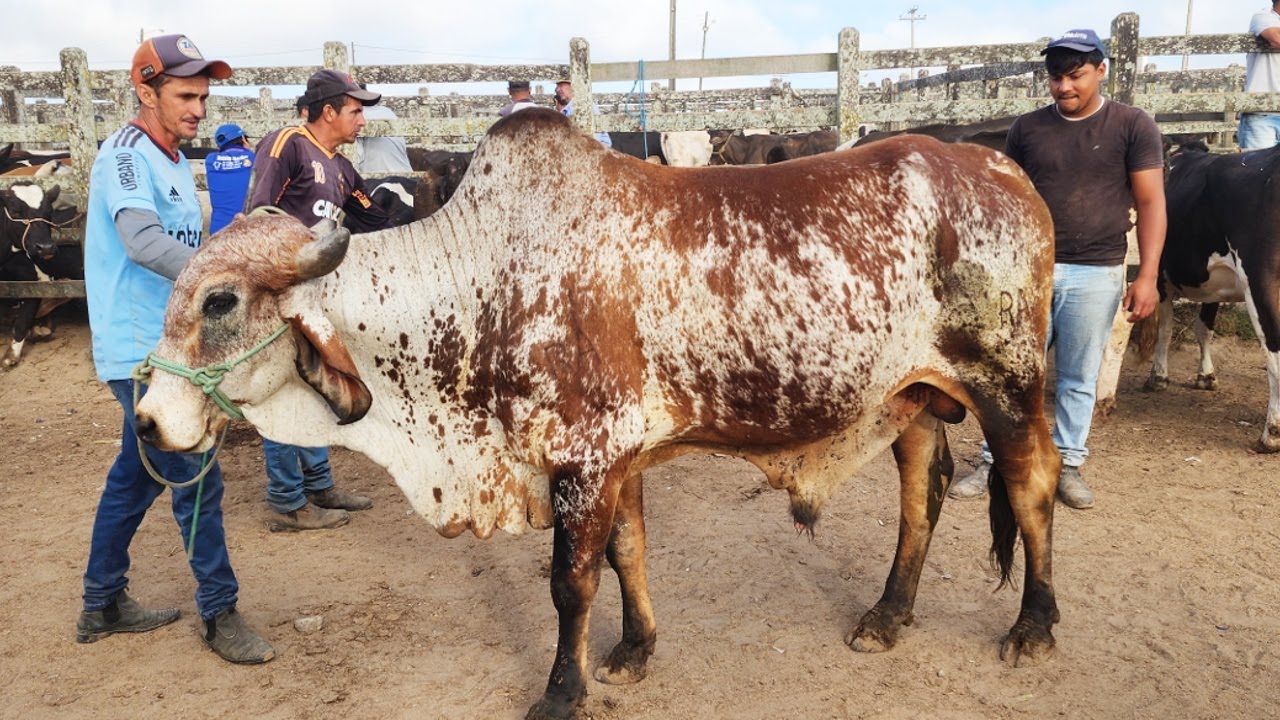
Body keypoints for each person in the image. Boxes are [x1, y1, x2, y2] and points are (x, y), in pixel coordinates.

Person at [77, 33, 273, 664]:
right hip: (144, 353)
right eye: (185, 94)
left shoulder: (172, 158)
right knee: (197, 477)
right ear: (146, 91)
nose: (199, 108)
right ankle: (220, 614)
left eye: (204, 96)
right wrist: (218, 282)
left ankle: (101, 601)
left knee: (134, 481)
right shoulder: (127, 154)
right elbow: (139, 241)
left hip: (169, 346)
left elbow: (186, 242)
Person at [948, 28, 1166, 510]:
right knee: (1009, 371)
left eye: (1075, 75)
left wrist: (1146, 274)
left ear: (1101, 70)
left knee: (1077, 376)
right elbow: (1007, 201)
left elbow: (1151, 202)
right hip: (1028, 271)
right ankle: (993, 460)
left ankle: (1066, 461)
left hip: (1098, 269)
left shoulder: (1132, 125)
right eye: (1055, 78)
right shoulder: (1027, 130)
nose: (1064, 87)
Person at [246, 68, 390, 531]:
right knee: (283, 391)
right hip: (278, 292)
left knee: (315, 387)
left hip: (313, 296)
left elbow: (376, 223)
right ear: (329, 111)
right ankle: (288, 501)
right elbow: (258, 215)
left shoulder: (344, 168)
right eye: (355, 111)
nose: (362, 121)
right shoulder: (287, 143)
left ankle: (319, 484)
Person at [1239, 0, 1280, 149]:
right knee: (1257, 169)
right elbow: (1276, 37)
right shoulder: (1264, 16)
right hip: (1262, 113)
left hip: (1264, 115)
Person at [204, 122, 253, 234]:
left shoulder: (210, 160)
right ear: (243, 139)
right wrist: (248, 151)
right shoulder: (252, 157)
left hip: (218, 230)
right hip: (244, 230)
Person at [552, 78, 612, 148]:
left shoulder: (582, 106)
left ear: (573, 86)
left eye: (561, 85)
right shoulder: (569, 108)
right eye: (557, 86)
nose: (557, 89)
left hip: (595, 150)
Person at [355, 103, 412, 174]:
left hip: (378, 179)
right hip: (407, 174)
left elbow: (357, 159)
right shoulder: (388, 111)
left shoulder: (358, 116)